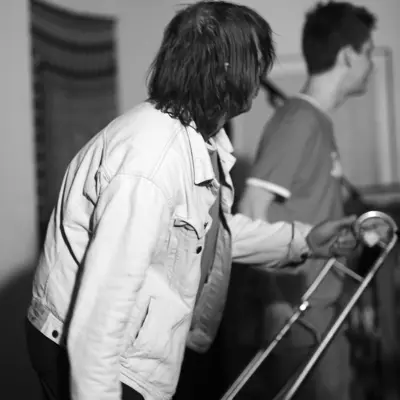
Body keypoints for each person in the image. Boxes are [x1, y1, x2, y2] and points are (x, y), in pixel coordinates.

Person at [25, 2, 359, 400]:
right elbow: (102, 311)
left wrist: (304, 240)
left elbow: (208, 235)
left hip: (124, 351)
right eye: (255, 60)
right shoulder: (151, 162)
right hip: (95, 356)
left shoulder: (197, 137)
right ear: (225, 69)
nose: (261, 74)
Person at [228, 2, 376, 399]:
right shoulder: (298, 120)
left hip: (320, 312)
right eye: (367, 52)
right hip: (300, 318)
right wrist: (277, 302)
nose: (371, 64)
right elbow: (251, 212)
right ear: (348, 55)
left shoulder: (316, 122)